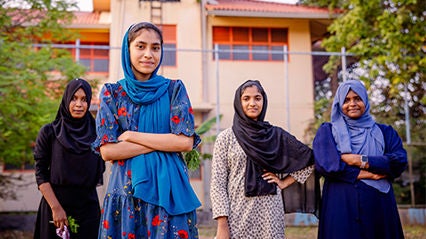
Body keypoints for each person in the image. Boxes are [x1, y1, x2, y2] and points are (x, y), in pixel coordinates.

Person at [93, 22, 201, 238]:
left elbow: (184, 143)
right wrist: (164, 143)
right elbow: (108, 151)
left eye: (156, 47)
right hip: (126, 191)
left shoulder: (174, 89)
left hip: (169, 193)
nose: (149, 54)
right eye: (140, 46)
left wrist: (132, 136)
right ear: (128, 49)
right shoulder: (111, 93)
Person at [210, 80, 317, 239]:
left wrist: (284, 182)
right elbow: (217, 183)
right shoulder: (226, 138)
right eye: (246, 99)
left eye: (257, 98)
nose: (252, 103)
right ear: (239, 102)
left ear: (263, 101)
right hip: (237, 215)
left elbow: (310, 159)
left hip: (270, 214)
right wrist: (222, 224)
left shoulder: (276, 136)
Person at [313, 79, 407, 239]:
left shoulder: (385, 132)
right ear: (339, 104)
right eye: (347, 100)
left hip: (378, 207)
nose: (352, 104)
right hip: (341, 206)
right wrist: (368, 174)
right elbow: (326, 165)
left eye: (357, 98)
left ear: (365, 100)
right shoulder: (328, 132)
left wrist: (359, 160)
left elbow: (398, 161)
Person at [34, 78, 105, 239]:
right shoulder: (49, 132)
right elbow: (40, 173)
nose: (79, 104)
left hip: (88, 209)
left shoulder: (98, 134)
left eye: (84, 99)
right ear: (66, 99)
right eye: (74, 98)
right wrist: (56, 208)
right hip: (55, 208)